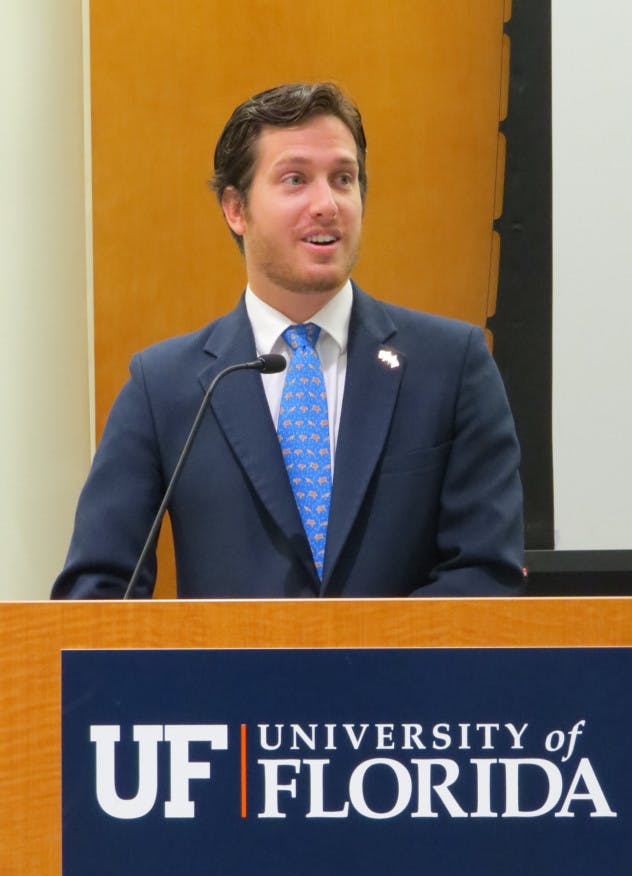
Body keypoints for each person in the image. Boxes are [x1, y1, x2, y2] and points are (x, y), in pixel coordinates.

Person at [52, 82, 524, 599]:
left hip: (403, 679)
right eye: (296, 179)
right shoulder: (165, 386)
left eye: (343, 179)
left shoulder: (452, 366)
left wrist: (368, 668)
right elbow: (95, 598)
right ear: (236, 209)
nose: (327, 204)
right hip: (225, 681)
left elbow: (485, 573)